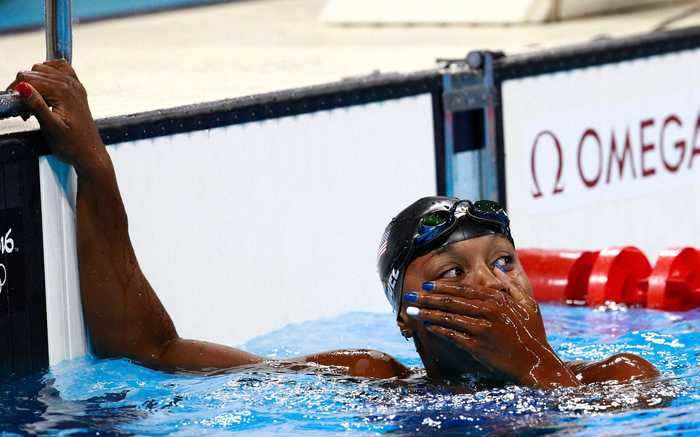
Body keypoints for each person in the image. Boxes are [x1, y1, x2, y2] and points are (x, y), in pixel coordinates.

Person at [9, 60, 659, 389]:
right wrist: (94, 166)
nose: (491, 285)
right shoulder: (373, 380)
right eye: (455, 272)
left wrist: (535, 365)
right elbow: (152, 349)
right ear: (406, 316)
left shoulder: (621, 376)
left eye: (504, 262)